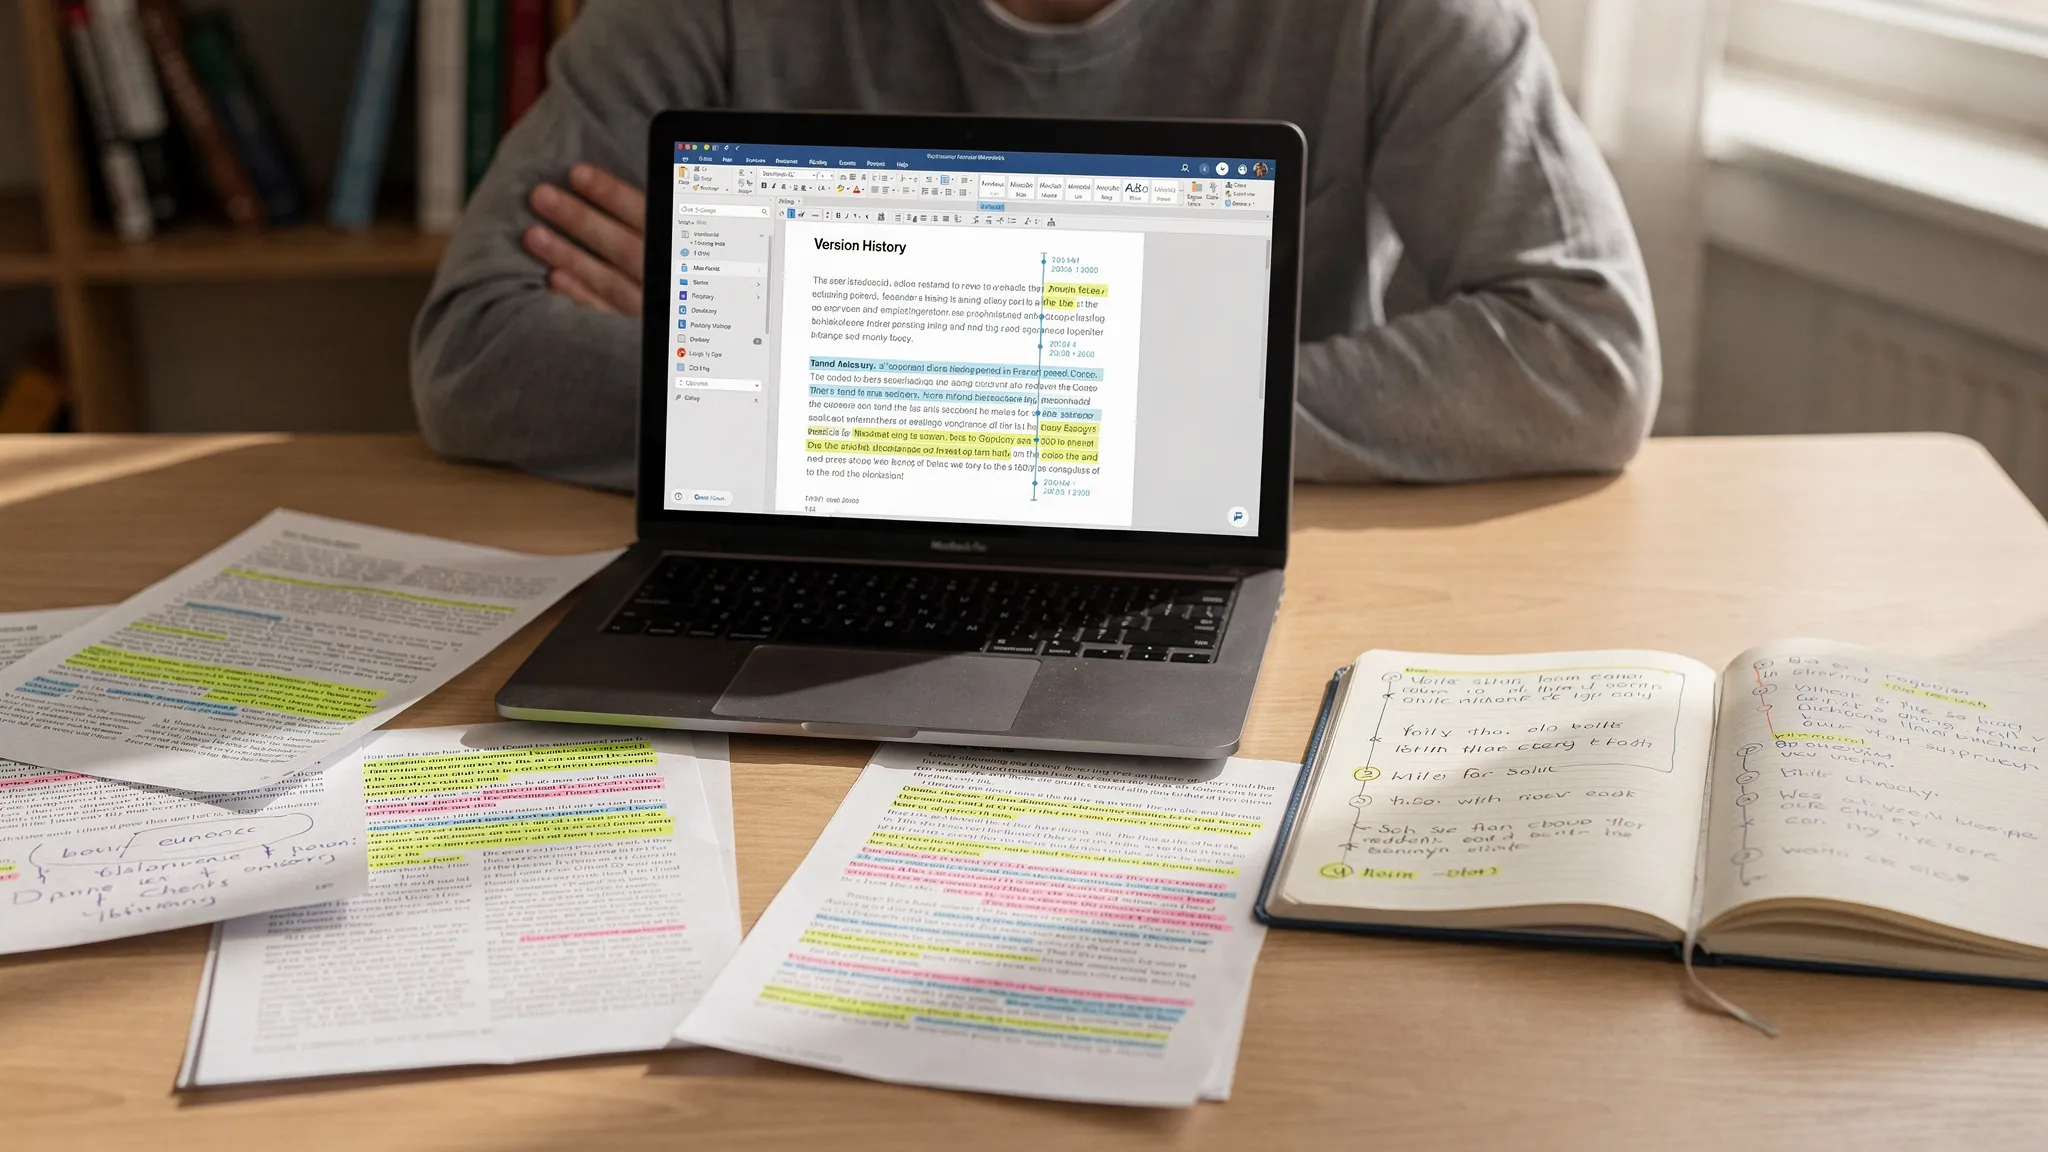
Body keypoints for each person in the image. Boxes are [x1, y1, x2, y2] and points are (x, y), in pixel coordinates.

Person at [412, 0, 1659, 493]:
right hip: (790, 571)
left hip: (1233, 572)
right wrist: (1080, 404)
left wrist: (800, 345)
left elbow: (1579, 357)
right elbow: (475, 355)